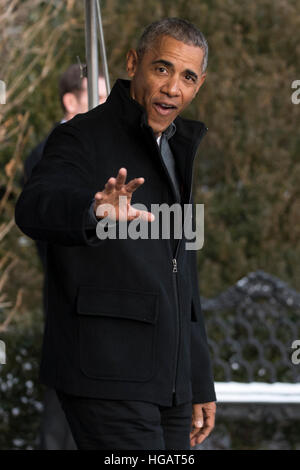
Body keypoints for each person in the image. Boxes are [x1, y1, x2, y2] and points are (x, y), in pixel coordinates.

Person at [15, 18, 216, 450]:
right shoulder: (79, 136)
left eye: (187, 77)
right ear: (133, 62)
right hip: (105, 374)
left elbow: (186, 278)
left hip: (173, 386)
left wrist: (199, 378)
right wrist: (92, 209)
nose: (172, 87)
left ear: (198, 86)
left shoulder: (181, 149)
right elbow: (33, 208)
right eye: (162, 68)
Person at [23, 63, 107, 450]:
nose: (105, 105)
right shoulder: (48, 155)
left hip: (107, 303)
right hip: (72, 297)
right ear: (70, 100)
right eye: (97, 96)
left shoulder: (105, 150)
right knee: (63, 414)